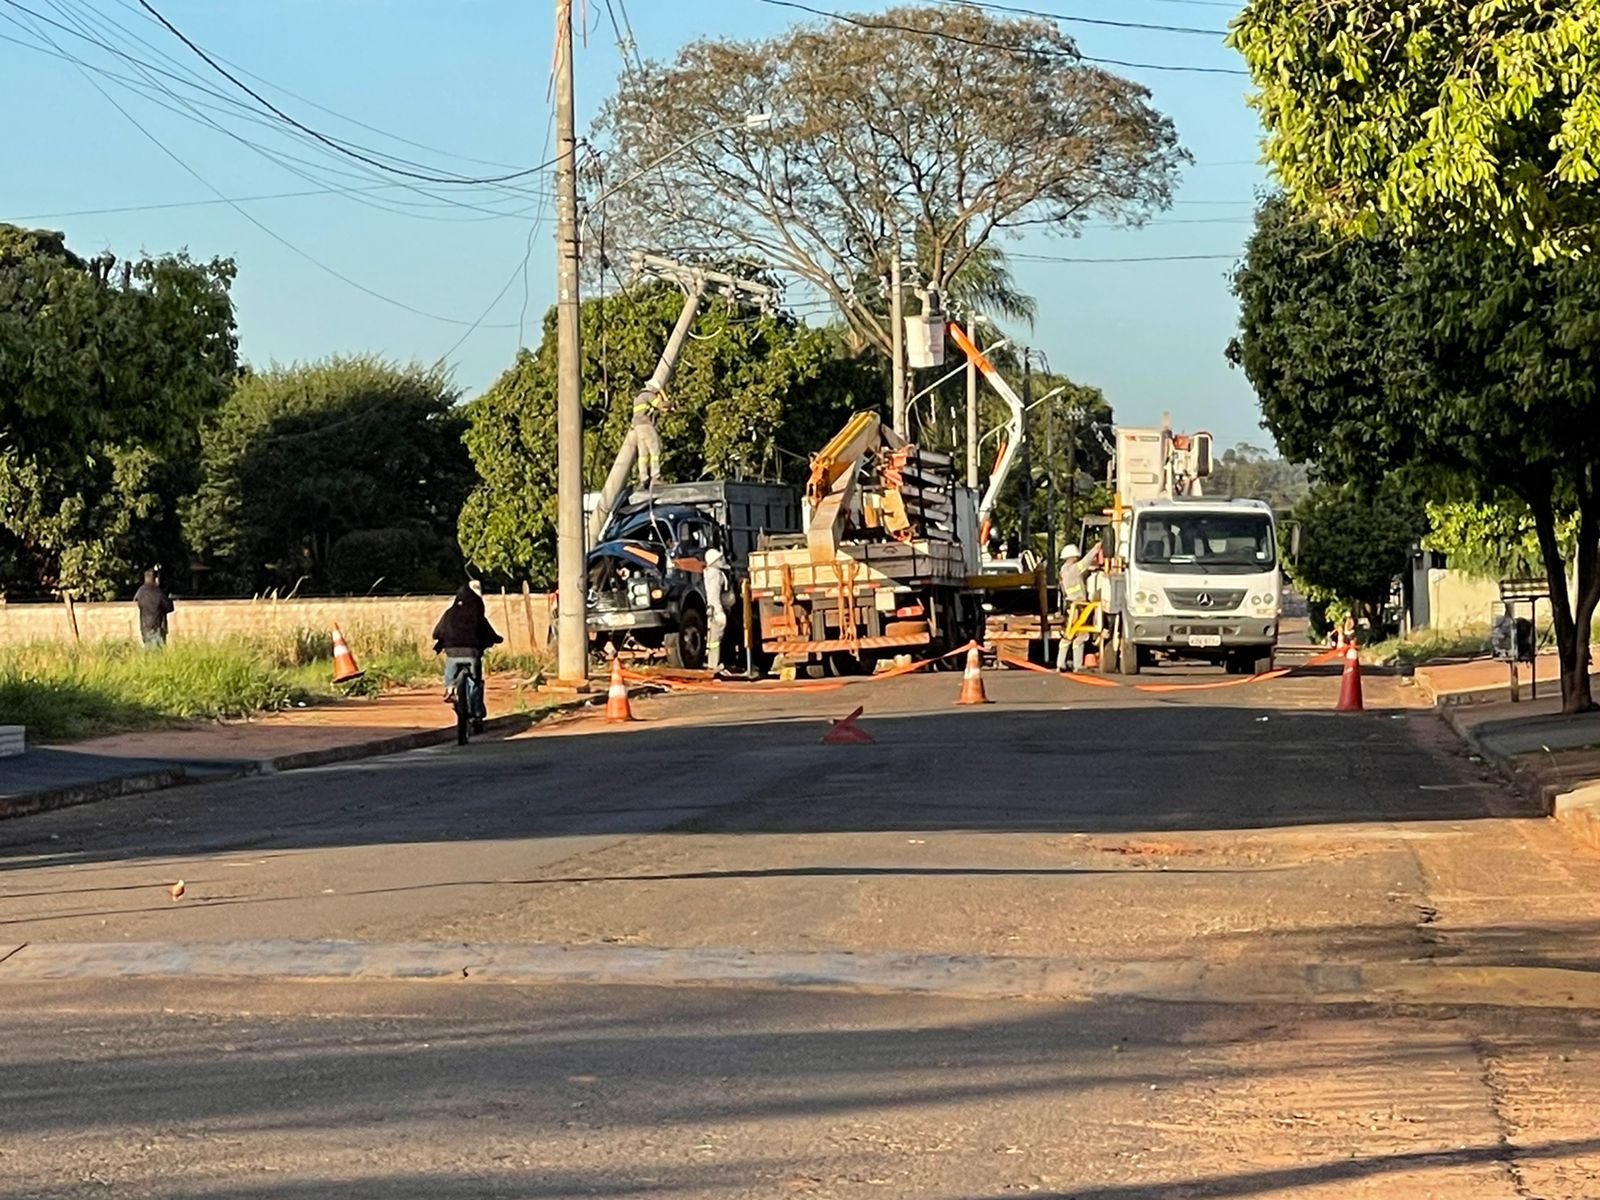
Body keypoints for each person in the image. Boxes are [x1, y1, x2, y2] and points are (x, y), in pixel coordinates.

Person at [431, 584, 503, 733]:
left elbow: (436, 632)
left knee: (451, 666)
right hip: (472, 653)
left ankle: (450, 688)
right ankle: (476, 714)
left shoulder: (449, 613)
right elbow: (489, 633)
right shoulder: (476, 614)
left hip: (452, 652)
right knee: (476, 682)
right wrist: (497, 639)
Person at [1056, 542, 1103, 673]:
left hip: (1070, 606)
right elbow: (1086, 562)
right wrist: (1096, 549)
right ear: (1073, 557)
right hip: (1078, 606)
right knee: (1082, 634)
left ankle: (1060, 663)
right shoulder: (1074, 569)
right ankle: (1077, 665)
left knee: (1068, 634)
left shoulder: (1064, 570)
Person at [701, 546, 732, 674]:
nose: (722, 560)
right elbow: (714, 595)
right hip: (717, 611)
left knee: (715, 639)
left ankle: (714, 663)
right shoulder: (715, 574)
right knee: (715, 639)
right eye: (720, 559)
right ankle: (713, 664)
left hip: (716, 610)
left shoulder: (713, 572)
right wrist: (719, 612)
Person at [632, 383, 665, 488]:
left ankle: (643, 479)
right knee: (655, 451)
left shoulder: (638, 397)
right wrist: (670, 403)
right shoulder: (648, 395)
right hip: (646, 426)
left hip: (638, 428)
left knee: (643, 455)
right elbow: (660, 405)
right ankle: (655, 477)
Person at [133, 569, 173, 651]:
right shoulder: (158, 592)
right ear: (156, 579)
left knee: (148, 649)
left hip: (144, 626)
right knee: (158, 651)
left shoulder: (140, 591)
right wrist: (169, 598)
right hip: (157, 626)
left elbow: (136, 600)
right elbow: (169, 607)